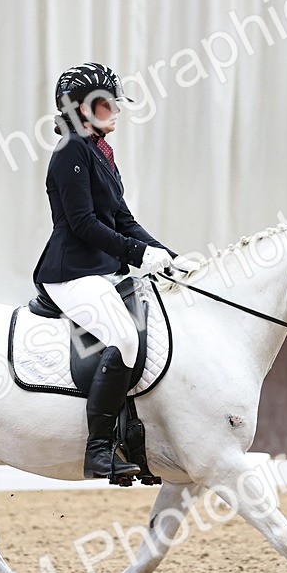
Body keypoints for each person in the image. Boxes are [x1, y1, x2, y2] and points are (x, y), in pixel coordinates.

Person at [32, 62, 198, 480]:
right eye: (107, 103)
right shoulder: (71, 149)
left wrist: (168, 256)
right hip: (71, 272)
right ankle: (99, 450)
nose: (117, 109)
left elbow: (123, 219)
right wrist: (139, 254)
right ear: (80, 109)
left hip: (101, 269)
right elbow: (85, 223)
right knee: (122, 337)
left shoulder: (99, 150)